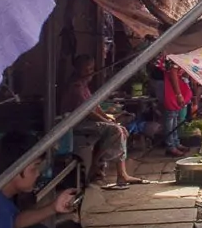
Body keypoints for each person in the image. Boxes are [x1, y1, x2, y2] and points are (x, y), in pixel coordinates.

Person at [61, 54, 144, 187]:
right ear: (78, 69)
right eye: (86, 69)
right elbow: (88, 112)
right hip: (76, 124)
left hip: (87, 121)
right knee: (115, 130)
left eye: (91, 69)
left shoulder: (84, 84)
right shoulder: (76, 86)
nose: (90, 72)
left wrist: (107, 117)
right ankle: (100, 167)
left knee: (120, 127)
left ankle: (115, 172)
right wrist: (109, 122)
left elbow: (95, 105)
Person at [162, 60, 193, 157]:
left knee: (175, 114)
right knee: (171, 115)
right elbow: (173, 73)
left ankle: (176, 143)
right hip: (166, 83)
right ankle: (170, 147)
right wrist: (178, 94)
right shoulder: (174, 54)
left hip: (172, 83)